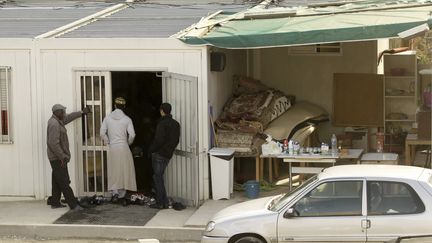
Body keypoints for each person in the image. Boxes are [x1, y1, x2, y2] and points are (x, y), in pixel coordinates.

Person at [47, 104, 90, 211]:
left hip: (57, 157)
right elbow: (53, 143)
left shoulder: (58, 120)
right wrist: (62, 157)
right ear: (56, 112)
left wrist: (81, 113)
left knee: (57, 180)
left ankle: (55, 202)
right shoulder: (54, 124)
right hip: (58, 158)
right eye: (62, 112)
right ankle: (73, 205)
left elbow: (69, 118)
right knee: (64, 181)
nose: (64, 113)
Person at [100, 97, 137, 202]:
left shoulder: (107, 118)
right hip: (124, 147)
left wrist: (108, 142)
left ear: (115, 106)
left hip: (113, 147)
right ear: (124, 107)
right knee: (124, 170)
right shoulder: (127, 119)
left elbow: (102, 133)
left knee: (113, 170)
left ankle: (114, 192)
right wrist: (128, 143)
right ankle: (122, 193)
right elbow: (132, 135)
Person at [148, 103, 180, 209]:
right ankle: (164, 201)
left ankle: (160, 203)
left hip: (159, 154)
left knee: (157, 178)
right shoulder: (176, 124)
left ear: (162, 111)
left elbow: (158, 140)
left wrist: (151, 150)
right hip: (168, 154)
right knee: (159, 178)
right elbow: (176, 140)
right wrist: (169, 150)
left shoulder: (162, 124)